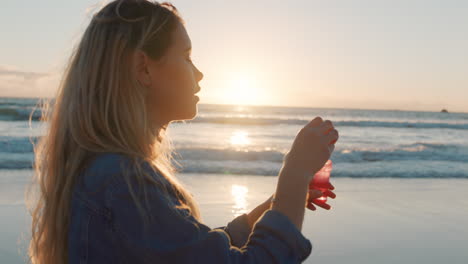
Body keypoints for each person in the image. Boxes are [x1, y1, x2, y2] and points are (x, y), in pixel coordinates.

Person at [27, 0, 339, 263]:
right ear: (144, 68)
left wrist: (280, 203)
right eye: (187, 57)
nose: (200, 73)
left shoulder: (107, 173)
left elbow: (191, 251)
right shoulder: (122, 182)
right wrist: (295, 172)